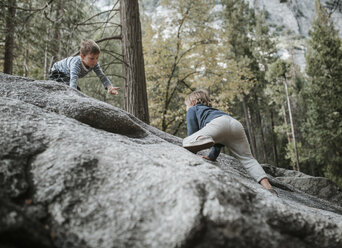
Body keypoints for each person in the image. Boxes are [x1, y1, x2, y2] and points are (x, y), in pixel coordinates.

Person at [183, 90, 278, 196]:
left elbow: (192, 130)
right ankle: (269, 188)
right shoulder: (213, 110)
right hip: (234, 124)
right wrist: (212, 157)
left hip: (217, 125)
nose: (186, 109)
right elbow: (220, 140)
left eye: (186, 106)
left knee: (186, 141)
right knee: (248, 159)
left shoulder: (193, 109)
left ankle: (201, 138)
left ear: (193, 102)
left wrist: (192, 149)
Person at [49, 40, 120, 94]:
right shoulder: (76, 64)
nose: (95, 61)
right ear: (82, 56)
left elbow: (101, 75)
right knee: (72, 91)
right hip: (57, 72)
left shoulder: (94, 64)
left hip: (67, 76)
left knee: (77, 92)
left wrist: (110, 88)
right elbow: (73, 78)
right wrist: (72, 94)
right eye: (91, 58)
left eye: (97, 58)